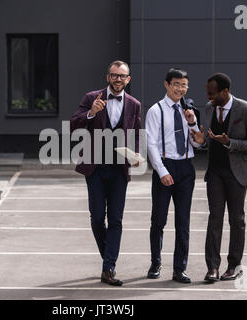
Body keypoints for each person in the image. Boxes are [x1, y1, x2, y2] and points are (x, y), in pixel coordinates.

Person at [70, 60, 142, 286]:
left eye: (122, 76)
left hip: (120, 169)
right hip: (95, 168)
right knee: (97, 218)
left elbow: (136, 134)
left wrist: (136, 155)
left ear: (128, 79)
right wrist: (91, 113)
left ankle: (108, 267)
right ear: (108, 77)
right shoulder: (92, 97)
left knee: (116, 219)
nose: (118, 79)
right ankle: (108, 259)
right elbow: (73, 125)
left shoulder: (134, 104)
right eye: (114, 75)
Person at [190, 72, 247, 283]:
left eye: (212, 93)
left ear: (225, 91)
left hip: (236, 172)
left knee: (236, 219)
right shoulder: (209, 107)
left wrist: (230, 142)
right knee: (214, 218)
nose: (208, 97)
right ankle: (212, 267)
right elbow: (210, 140)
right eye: (207, 93)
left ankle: (234, 266)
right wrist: (201, 141)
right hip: (214, 171)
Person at [145, 68, 202, 283]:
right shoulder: (156, 110)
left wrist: (192, 122)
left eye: (184, 85)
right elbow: (151, 144)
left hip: (186, 167)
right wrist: (162, 171)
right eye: (176, 84)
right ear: (167, 84)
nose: (181, 88)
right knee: (158, 220)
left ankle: (180, 268)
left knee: (183, 221)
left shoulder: (189, 109)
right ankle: (156, 262)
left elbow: (197, 142)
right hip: (166, 165)